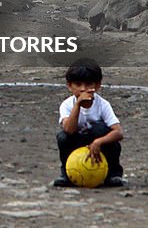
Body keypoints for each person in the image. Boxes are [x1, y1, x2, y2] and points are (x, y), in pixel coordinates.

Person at [53, 58, 125, 187]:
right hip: (78, 143)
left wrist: (98, 142)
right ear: (70, 86)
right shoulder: (67, 105)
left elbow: (118, 132)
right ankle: (66, 173)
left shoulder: (103, 105)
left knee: (101, 129)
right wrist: (78, 105)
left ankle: (113, 174)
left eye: (88, 84)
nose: (83, 89)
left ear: (97, 86)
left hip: (98, 144)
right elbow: (69, 129)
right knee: (63, 137)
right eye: (78, 84)